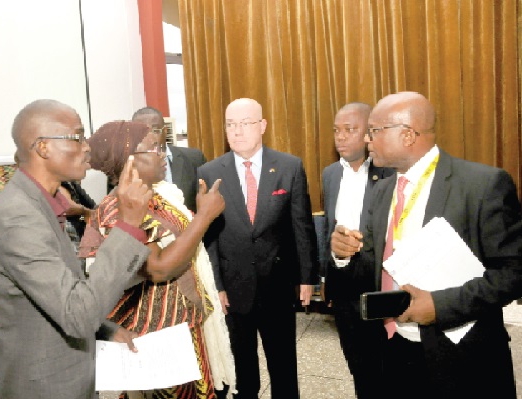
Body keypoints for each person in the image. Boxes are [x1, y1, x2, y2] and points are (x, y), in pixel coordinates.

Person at [331, 91, 522, 398]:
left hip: (459, 357)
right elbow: (371, 262)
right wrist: (342, 253)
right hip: (391, 348)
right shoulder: (383, 189)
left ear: (407, 134)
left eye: (375, 131)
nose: (368, 140)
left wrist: (439, 307)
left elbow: (513, 274)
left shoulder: (482, 185)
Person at [0, 99, 170, 399]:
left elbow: (61, 297)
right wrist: (129, 224)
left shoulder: (43, 205)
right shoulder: (18, 218)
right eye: (77, 137)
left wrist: (106, 330)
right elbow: (76, 313)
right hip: (45, 387)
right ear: (43, 148)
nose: (87, 147)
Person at [81, 120, 234, 399]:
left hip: (181, 324)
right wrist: (204, 217)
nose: (162, 153)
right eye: (153, 148)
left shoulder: (156, 198)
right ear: (127, 160)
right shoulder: (118, 208)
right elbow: (158, 268)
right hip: (155, 336)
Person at [198, 98, 319, 399]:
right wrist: (217, 286)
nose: (236, 131)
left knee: (283, 368)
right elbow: (207, 237)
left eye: (245, 123)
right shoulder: (211, 171)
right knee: (242, 372)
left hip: (277, 283)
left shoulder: (289, 167)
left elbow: (301, 226)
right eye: (230, 125)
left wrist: (308, 278)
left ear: (262, 126)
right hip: (233, 287)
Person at [321, 103, 394, 398]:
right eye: (337, 130)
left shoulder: (390, 172)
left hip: (380, 287)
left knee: (389, 369)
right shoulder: (329, 174)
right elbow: (328, 229)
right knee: (358, 366)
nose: (341, 137)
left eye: (350, 130)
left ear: (369, 133)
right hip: (343, 288)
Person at [132, 106, 207, 213]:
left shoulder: (194, 158)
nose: (150, 137)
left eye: (155, 130)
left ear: (165, 131)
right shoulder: (125, 167)